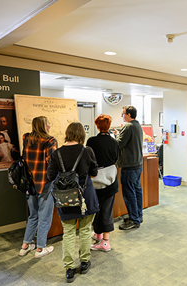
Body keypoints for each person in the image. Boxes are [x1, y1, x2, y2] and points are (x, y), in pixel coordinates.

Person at [47, 122, 99, 283]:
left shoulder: (57, 153)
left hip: (65, 198)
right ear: (82, 134)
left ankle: (69, 268)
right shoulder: (87, 151)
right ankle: (84, 262)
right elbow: (94, 173)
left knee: (68, 232)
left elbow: (50, 176)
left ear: (67, 133)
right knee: (84, 230)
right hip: (85, 197)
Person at [19, 116, 57, 259]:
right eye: (48, 124)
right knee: (45, 216)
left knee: (33, 215)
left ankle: (25, 245)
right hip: (44, 183)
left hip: (29, 183)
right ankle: (40, 248)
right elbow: (52, 164)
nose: (49, 126)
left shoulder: (26, 138)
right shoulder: (50, 141)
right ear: (43, 126)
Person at [87, 114, 119, 251]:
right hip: (110, 180)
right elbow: (116, 159)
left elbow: (88, 159)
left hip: (95, 181)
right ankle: (101, 236)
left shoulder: (91, 141)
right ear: (109, 126)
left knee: (96, 208)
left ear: (97, 125)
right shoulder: (114, 142)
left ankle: (105, 242)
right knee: (107, 209)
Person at [113, 105, 144, 230]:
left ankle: (134, 220)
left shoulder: (128, 126)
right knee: (137, 191)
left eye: (123, 113)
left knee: (129, 194)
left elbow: (119, 144)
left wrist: (114, 137)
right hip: (137, 165)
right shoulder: (137, 125)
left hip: (129, 166)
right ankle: (138, 215)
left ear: (129, 115)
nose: (122, 116)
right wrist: (118, 134)